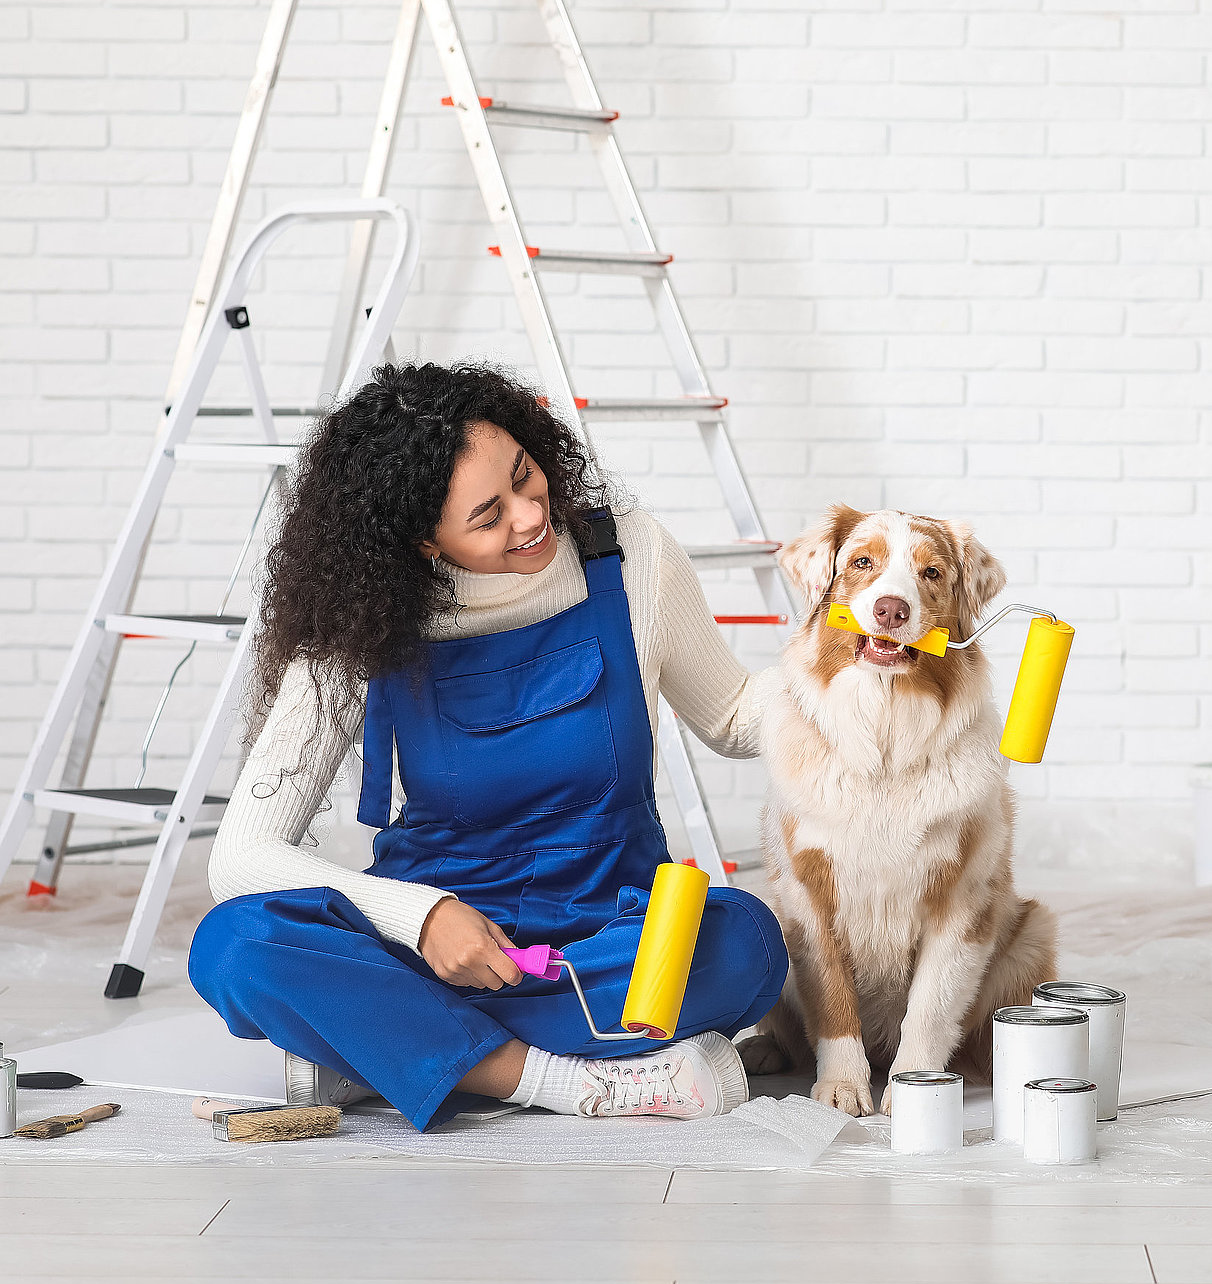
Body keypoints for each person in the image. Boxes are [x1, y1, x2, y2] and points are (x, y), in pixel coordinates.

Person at [188, 360, 788, 1130]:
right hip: (435, 946)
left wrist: (840, 672)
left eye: (525, 475)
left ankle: (386, 1047)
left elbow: (735, 715)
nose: (531, 514)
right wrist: (425, 918)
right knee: (233, 946)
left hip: (604, 934)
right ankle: (563, 1082)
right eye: (487, 516)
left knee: (746, 944)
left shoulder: (629, 554)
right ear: (424, 543)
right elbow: (240, 856)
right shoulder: (361, 619)